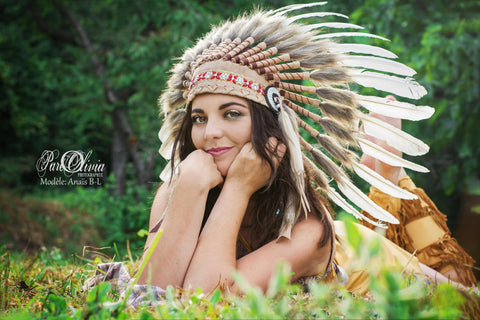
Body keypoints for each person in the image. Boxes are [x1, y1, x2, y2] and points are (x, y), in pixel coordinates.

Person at [85, 3, 477, 305]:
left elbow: (205, 300)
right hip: (341, 240)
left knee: (460, 293)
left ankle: (389, 180)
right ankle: (383, 186)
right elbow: (153, 297)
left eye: (233, 114)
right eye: (199, 118)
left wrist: (238, 188)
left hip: (366, 260)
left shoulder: (308, 231)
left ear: (272, 129)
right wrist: (185, 187)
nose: (210, 133)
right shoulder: (184, 183)